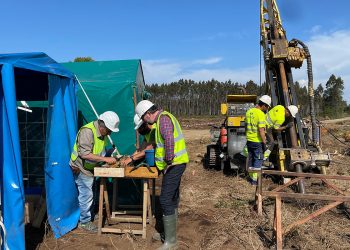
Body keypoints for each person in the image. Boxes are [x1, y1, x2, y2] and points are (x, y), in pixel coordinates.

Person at [135, 100, 189, 250]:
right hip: (176, 163)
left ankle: (171, 242)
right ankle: (167, 233)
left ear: (148, 114)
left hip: (174, 164)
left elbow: (169, 140)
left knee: (165, 199)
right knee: (171, 197)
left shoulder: (163, 119)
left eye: (143, 118)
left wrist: (168, 160)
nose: (145, 122)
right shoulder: (161, 120)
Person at [70, 111, 120, 232]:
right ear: (102, 126)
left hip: (91, 167)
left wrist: (108, 154)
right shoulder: (87, 131)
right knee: (86, 195)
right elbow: (85, 154)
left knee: (92, 192)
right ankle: (85, 222)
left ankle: (90, 214)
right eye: (109, 130)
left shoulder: (102, 133)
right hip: (81, 167)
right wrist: (105, 159)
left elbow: (98, 150)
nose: (110, 133)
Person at [245, 95, 271, 185]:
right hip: (257, 141)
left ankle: (251, 177)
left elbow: (246, 126)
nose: (266, 109)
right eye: (267, 106)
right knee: (258, 160)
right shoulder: (260, 114)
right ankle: (255, 181)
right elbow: (261, 130)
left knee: (251, 159)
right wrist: (264, 142)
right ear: (263, 105)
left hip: (249, 140)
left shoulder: (249, 112)